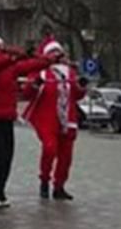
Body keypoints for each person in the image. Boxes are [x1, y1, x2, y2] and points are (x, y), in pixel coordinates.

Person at [0, 33, 47, 208]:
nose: (2, 48)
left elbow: (28, 65)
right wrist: (12, 56)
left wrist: (47, 60)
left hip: (6, 117)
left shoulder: (9, 65)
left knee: (7, 156)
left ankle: (0, 192)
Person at [22, 39, 82, 200]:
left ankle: (59, 186)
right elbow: (27, 93)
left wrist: (82, 86)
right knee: (50, 148)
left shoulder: (70, 72)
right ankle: (44, 180)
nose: (57, 56)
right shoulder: (40, 71)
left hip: (67, 118)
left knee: (66, 156)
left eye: (59, 53)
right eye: (53, 53)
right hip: (46, 118)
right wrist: (35, 84)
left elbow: (77, 94)